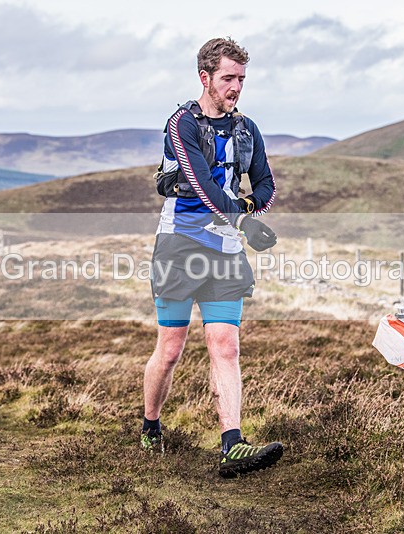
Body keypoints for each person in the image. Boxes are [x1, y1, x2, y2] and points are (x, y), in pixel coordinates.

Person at [140, 37, 282, 478]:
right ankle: (150, 427)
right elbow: (200, 185)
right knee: (170, 349)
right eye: (228, 78)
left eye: (241, 78)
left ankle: (232, 446)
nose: (236, 86)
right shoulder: (181, 123)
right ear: (205, 78)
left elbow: (266, 185)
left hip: (224, 252)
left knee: (226, 343)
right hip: (179, 246)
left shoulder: (247, 129)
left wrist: (253, 210)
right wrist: (243, 221)